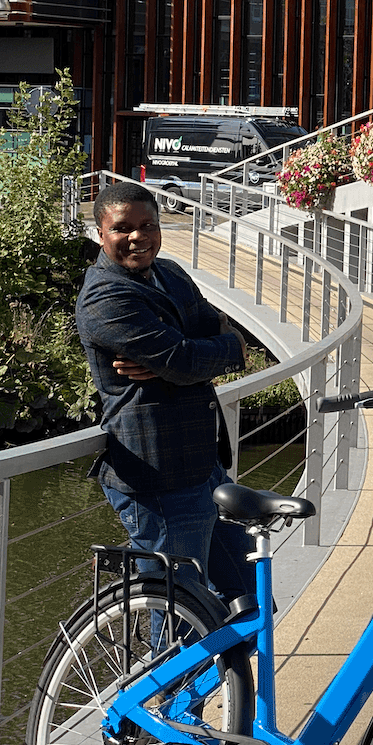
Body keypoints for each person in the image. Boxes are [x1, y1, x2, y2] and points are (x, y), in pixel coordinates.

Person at [76, 181, 256, 600]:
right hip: (158, 476)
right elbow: (186, 360)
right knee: (179, 611)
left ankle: (225, 670)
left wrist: (182, 356)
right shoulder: (105, 297)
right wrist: (182, 358)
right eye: (123, 228)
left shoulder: (170, 273)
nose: (138, 236)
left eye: (148, 225)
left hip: (203, 465)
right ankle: (164, 670)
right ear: (100, 233)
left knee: (249, 598)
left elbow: (224, 337)